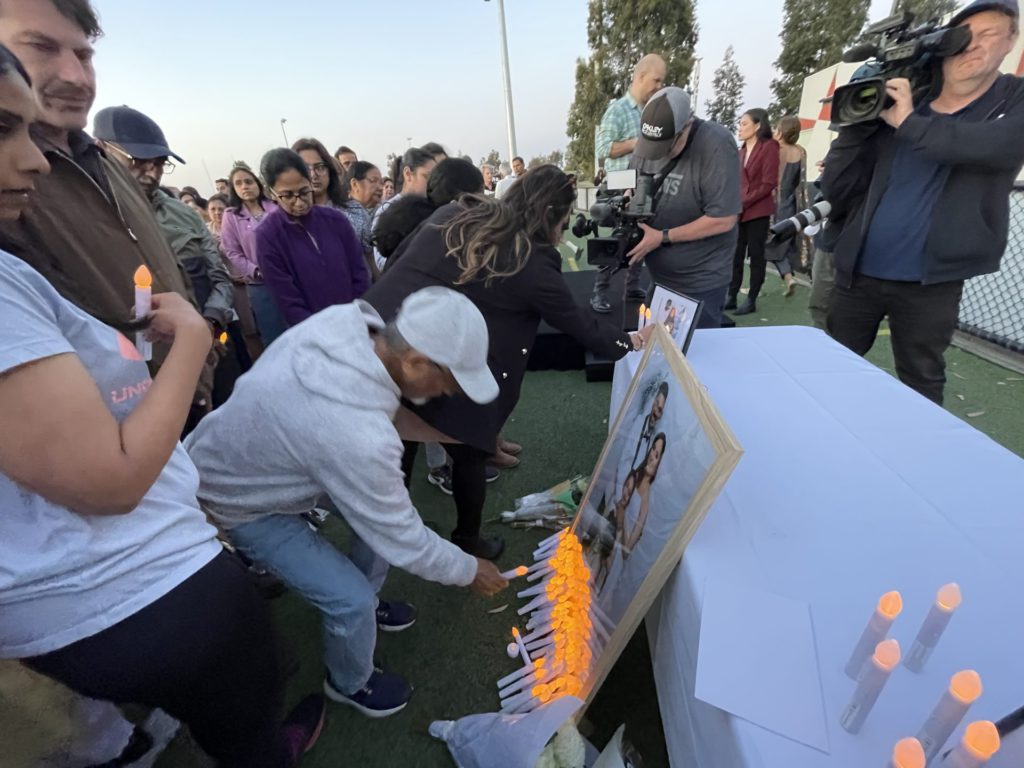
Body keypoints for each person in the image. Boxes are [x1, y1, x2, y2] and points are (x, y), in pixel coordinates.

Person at [0, 41, 324, 766]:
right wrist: (192, 342)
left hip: (99, 587)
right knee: (250, 725)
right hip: (126, 585)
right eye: (3, 130)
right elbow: (111, 480)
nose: (36, 161)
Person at [184, 287, 509, 718]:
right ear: (415, 361)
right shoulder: (357, 437)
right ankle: (350, 681)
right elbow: (402, 537)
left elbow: (374, 406)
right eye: (448, 379)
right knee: (350, 599)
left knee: (373, 529)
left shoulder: (349, 323)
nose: (449, 391)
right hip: (242, 500)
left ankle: (368, 610)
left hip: (270, 458)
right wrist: (470, 570)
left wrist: (455, 438)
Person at [364, 166, 654, 560]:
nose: (564, 232)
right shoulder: (532, 259)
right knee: (467, 448)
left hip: (383, 340)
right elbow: (577, 323)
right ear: (551, 217)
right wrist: (630, 341)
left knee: (398, 447)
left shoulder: (455, 212)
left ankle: (400, 524)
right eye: (564, 222)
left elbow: (400, 259)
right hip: (430, 362)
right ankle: (463, 540)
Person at [822, 0, 1024, 405]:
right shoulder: (904, 98)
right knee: (829, 368)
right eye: (965, 36)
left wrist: (910, 123)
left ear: (1011, 42)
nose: (973, 46)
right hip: (858, 272)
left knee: (921, 380)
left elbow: (998, 148)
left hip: (931, 283)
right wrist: (853, 126)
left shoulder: (1011, 99)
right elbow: (837, 186)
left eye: (988, 35)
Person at [0, 0, 196, 350]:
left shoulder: (107, 164)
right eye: (42, 47)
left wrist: (201, 352)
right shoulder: (9, 190)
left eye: (84, 56)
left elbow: (168, 264)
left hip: (188, 390)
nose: (76, 76)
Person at [93, 105, 237, 427]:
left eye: (159, 163)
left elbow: (218, 276)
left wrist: (210, 322)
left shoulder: (183, 214)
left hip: (204, 353)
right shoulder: (91, 216)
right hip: (137, 378)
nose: (151, 172)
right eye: (138, 161)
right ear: (101, 149)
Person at [622, 87, 742, 330]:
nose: (659, 155)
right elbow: (630, 179)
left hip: (700, 281)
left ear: (686, 127)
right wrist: (627, 196)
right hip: (660, 279)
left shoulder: (716, 145)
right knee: (655, 353)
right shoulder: (650, 138)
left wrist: (662, 237)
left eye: (666, 147)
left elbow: (724, 218)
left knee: (694, 361)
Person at [255, 148, 370, 328]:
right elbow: (288, 301)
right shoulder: (268, 236)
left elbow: (359, 272)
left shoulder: (335, 221)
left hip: (356, 321)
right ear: (271, 193)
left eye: (304, 191)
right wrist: (321, 331)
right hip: (313, 333)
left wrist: (356, 316)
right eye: (287, 195)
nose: (299, 202)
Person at [591, 53, 667, 314]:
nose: (660, 86)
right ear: (640, 76)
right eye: (657, 80)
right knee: (619, 239)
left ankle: (631, 286)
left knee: (642, 234)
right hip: (619, 183)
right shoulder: (618, 110)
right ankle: (599, 291)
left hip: (644, 183)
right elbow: (604, 148)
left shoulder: (652, 111)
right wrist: (639, 141)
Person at [221, 162, 287, 345]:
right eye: (239, 183)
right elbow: (232, 251)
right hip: (261, 285)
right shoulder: (232, 215)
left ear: (258, 184)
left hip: (289, 279)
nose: (245, 186)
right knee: (275, 339)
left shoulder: (276, 207)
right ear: (234, 189)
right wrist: (255, 270)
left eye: (249, 181)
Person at [726, 108, 780, 316]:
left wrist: (744, 202)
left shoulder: (769, 147)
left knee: (757, 257)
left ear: (758, 126)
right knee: (735, 255)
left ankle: (751, 298)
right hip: (738, 211)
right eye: (740, 124)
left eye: (744, 123)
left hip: (757, 210)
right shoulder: (739, 152)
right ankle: (731, 295)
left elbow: (768, 183)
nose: (740, 128)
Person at [372, 147, 437, 270]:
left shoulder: (433, 209)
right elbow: (381, 261)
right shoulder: (386, 210)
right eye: (427, 177)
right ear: (408, 174)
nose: (432, 183)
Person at [766, 115, 805, 296]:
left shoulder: (774, 149)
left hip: (771, 203)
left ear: (780, 132)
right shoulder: (800, 151)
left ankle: (786, 278)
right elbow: (800, 181)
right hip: (790, 203)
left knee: (768, 244)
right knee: (784, 243)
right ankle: (789, 277)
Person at [341, 160, 384, 278]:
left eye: (381, 182)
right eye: (373, 181)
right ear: (354, 184)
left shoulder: (369, 211)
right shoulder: (351, 215)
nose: (380, 187)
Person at [292, 137, 344, 208]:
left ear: (329, 170)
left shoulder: (354, 211)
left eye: (320, 167)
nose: (313, 175)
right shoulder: (284, 217)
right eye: (305, 168)